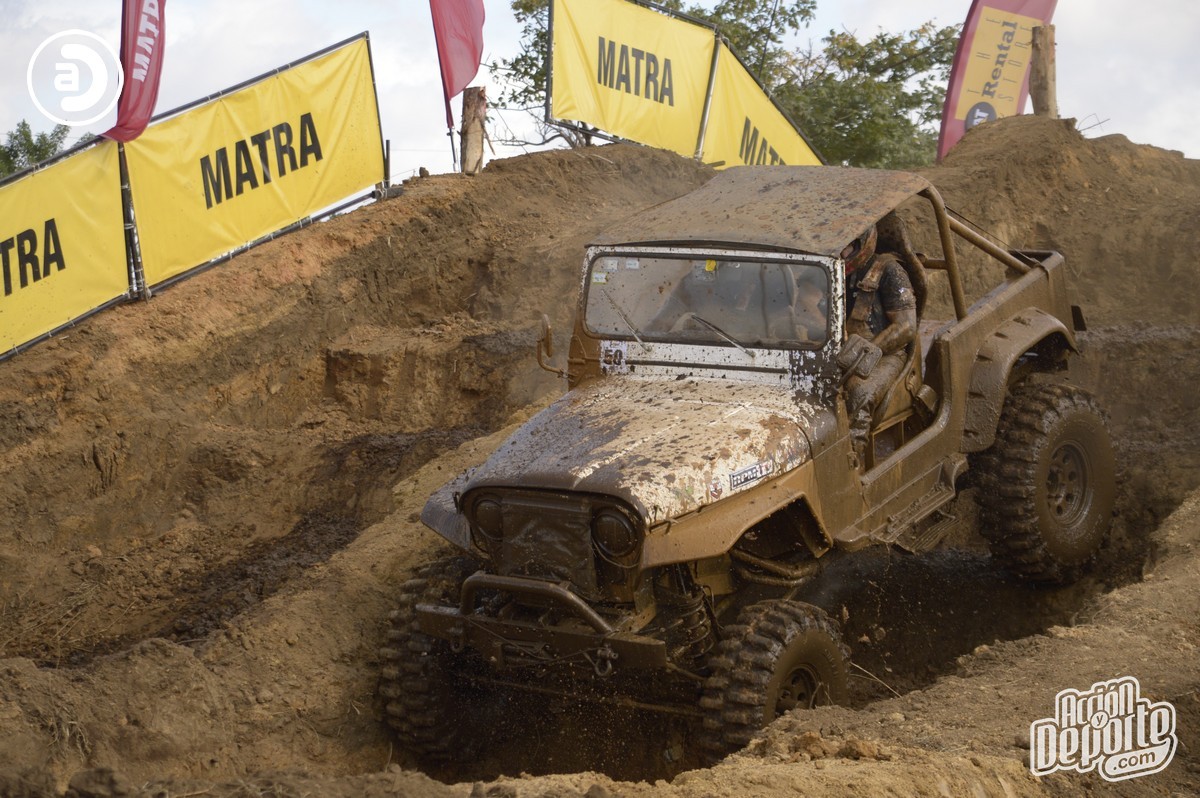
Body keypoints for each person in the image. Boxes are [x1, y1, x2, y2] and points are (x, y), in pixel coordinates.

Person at [840, 224, 917, 461]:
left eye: (848, 245)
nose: (842, 252)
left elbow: (906, 326)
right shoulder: (824, 268)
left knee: (859, 391)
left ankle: (852, 459)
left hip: (886, 354)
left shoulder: (889, 270)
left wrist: (870, 350)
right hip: (839, 349)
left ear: (862, 241)